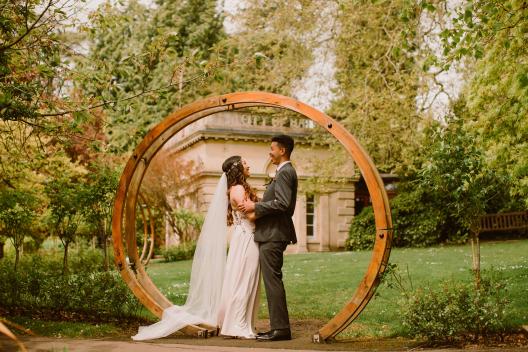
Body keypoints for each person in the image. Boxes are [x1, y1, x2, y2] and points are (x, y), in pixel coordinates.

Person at [132, 156, 261, 341]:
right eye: (245, 163)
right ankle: (238, 325)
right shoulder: (239, 189)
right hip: (247, 238)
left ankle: (236, 323)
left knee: (241, 279)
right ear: (238, 168)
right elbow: (250, 216)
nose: (249, 165)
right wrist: (267, 208)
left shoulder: (235, 188)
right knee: (244, 280)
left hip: (244, 237)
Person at [238, 134, 298, 341]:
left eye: (272, 148)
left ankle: (280, 329)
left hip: (274, 234)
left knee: (273, 281)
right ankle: (278, 327)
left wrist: (255, 206)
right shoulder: (283, 172)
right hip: (272, 233)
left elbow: (282, 203)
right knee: (272, 280)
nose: (269, 152)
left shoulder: (285, 172)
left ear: (282, 150)